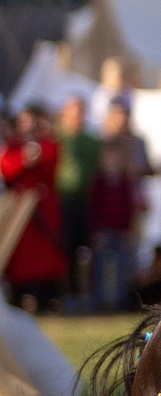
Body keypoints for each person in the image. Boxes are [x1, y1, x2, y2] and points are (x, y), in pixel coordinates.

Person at [2, 103, 69, 309]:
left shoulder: (47, 144)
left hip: (42, 208)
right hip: (20, 210)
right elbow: (7, 168)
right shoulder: (14, 146)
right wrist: (24, 158)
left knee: (46, 255)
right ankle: (22, 294)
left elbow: (50, 163)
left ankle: (46, 295)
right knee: (20, 257)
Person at [88, 101, 146, 314]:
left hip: (123, 225)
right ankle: (100, 301)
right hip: (104, 228)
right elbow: (95, 206)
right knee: (102, 266)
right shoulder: (100, 180)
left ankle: (122, 300)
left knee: (125, 264)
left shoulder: (137, 143)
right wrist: (97, 229)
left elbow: (131, 201)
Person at [54, 93, 99, 308]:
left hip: (86, 203)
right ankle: (67, 294)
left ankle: (86, 295)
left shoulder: (91, 141)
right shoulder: (57, 139)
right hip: (62, 203)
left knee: (87, 250)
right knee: (66, 249)